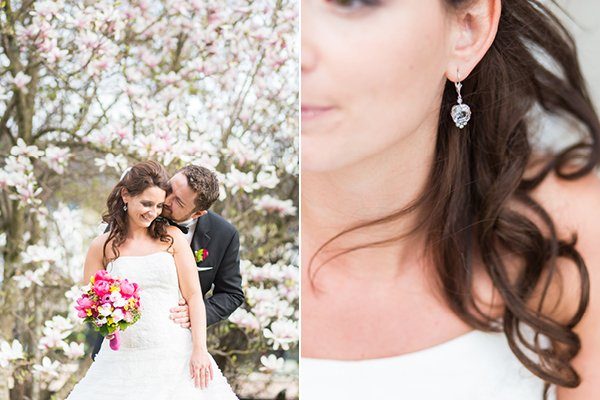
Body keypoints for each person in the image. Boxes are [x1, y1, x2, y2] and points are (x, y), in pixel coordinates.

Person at [301, 0, 600, 399]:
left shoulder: (573, 232)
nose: (293, 52)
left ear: (467, 29)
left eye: (353, 2)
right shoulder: (204, 247)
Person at [67, 161, 238, 399]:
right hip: (122, 354)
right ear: (125, 195)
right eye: (151, 202)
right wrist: (106, 322)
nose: (160, 208)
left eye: (163, 204)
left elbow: (195, 295)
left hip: (173, 348)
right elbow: (91, 301)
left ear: (196, 212)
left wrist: (200, 348)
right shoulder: (102, 245)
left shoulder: (173, 237)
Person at [91, 164, 244, 359]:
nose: (165, 200)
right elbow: (101, 282)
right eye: (170, 188)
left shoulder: (224, 234)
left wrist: (194, 314)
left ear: (197, 213)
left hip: (175, 344)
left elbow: (232, 294)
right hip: (120, 346)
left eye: (178, 202)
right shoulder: (133, 216)